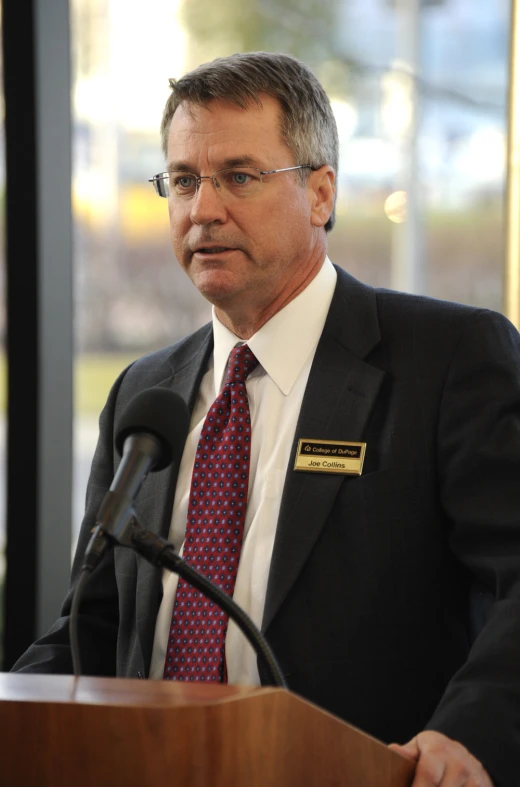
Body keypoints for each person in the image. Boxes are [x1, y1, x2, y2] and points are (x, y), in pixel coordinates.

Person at [12, 51, 520, 786]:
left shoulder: (448, 360)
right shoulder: (144, 392)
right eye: (183, 180)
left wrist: (469, 734)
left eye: (239, 176)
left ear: (320, 194)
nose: (203, 208)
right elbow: (92, 628)